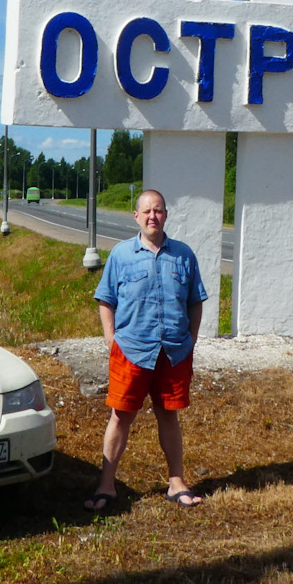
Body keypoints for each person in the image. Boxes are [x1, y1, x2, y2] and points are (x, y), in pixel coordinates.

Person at [84, 187, 208, 511]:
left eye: (159, 210)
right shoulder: (121, 255)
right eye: (147, 211)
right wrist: (111, 340)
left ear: (166, 215)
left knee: (169, 416)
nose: (153, 216)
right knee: (120, 417)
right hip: (131, 350)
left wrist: (191, 340)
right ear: (136, 217)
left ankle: (176, 482)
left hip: (174, 352)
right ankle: (107, 485)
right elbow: (105, 300)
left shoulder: (184, 255)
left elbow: (195, 302)